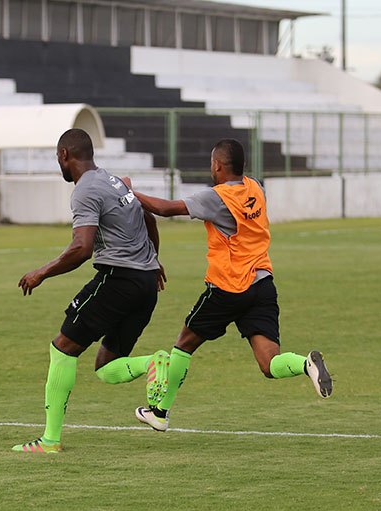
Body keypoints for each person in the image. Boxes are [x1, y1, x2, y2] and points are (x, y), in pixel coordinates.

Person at [123, 138, 333, 432]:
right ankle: (304, 364)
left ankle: (160, 412)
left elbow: (167, 209)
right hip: (262, 284)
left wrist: (129, 192)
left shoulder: (217, 198)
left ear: (217, 165)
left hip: (228, 287)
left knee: (184, 344)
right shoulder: (255, 187)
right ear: (243, 166)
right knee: (269, 363)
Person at [12, 128, 169, 453]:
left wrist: (41, 272)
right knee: (107, 368)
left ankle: (50, 441)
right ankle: (153, 364)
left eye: (59, 158)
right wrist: (152, 259)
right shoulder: (115, 181)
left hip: (119, 281)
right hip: (145, 284)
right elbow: (148, 218)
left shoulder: (85, 190)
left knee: (63, 348)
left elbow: (82, 249)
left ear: (65, 156)